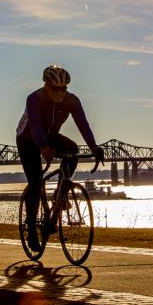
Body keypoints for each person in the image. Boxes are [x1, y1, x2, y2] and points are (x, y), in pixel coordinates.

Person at [16, 65, 104, 251]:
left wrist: (94, 147)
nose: (60, 93)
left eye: (64, 88)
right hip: (28, 139)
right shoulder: (34, 98)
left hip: (50, 136)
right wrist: (43, 147)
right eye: (56, 89)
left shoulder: (72, 101)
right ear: (46, 86)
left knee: (72, 149)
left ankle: (60, 192)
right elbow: (35, 125)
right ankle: (32, 231)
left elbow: (83, 124)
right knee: (35, 182)